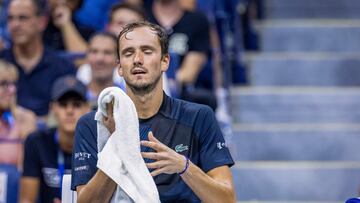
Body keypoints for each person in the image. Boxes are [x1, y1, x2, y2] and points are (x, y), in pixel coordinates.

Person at [71, 21, 236, 202]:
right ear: (119, 67)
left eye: (147, 51)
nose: (137, 59)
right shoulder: (94, 123)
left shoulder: (198, 117)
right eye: (128, 53)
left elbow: (227, 199)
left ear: (165, 61)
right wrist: (117, 147)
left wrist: (184, 166)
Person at [0, 0, 76, 120]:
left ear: (42, 22)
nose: (15, 25)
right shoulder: (1, 61)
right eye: (10, 18)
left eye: (23, 18)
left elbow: (68, 112)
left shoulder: (62, 67)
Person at [19, 75, 90, 203]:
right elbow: (26, 200)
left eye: (76, 105)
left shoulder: (98, 146)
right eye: (63, 105)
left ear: (87, 108)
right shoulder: (36, 142)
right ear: (52, 108)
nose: (69, 111)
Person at [0, 59, 36, 168]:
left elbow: (25, 170)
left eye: (13, 84)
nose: (12, 90)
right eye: (3, 84)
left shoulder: (26, 119)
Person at [78, 32, 126, 109]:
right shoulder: (74, 94)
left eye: (107, 53)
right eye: (94, 51)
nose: (99, 58)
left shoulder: (127, 95)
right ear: (87, 57)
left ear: (118, 60)